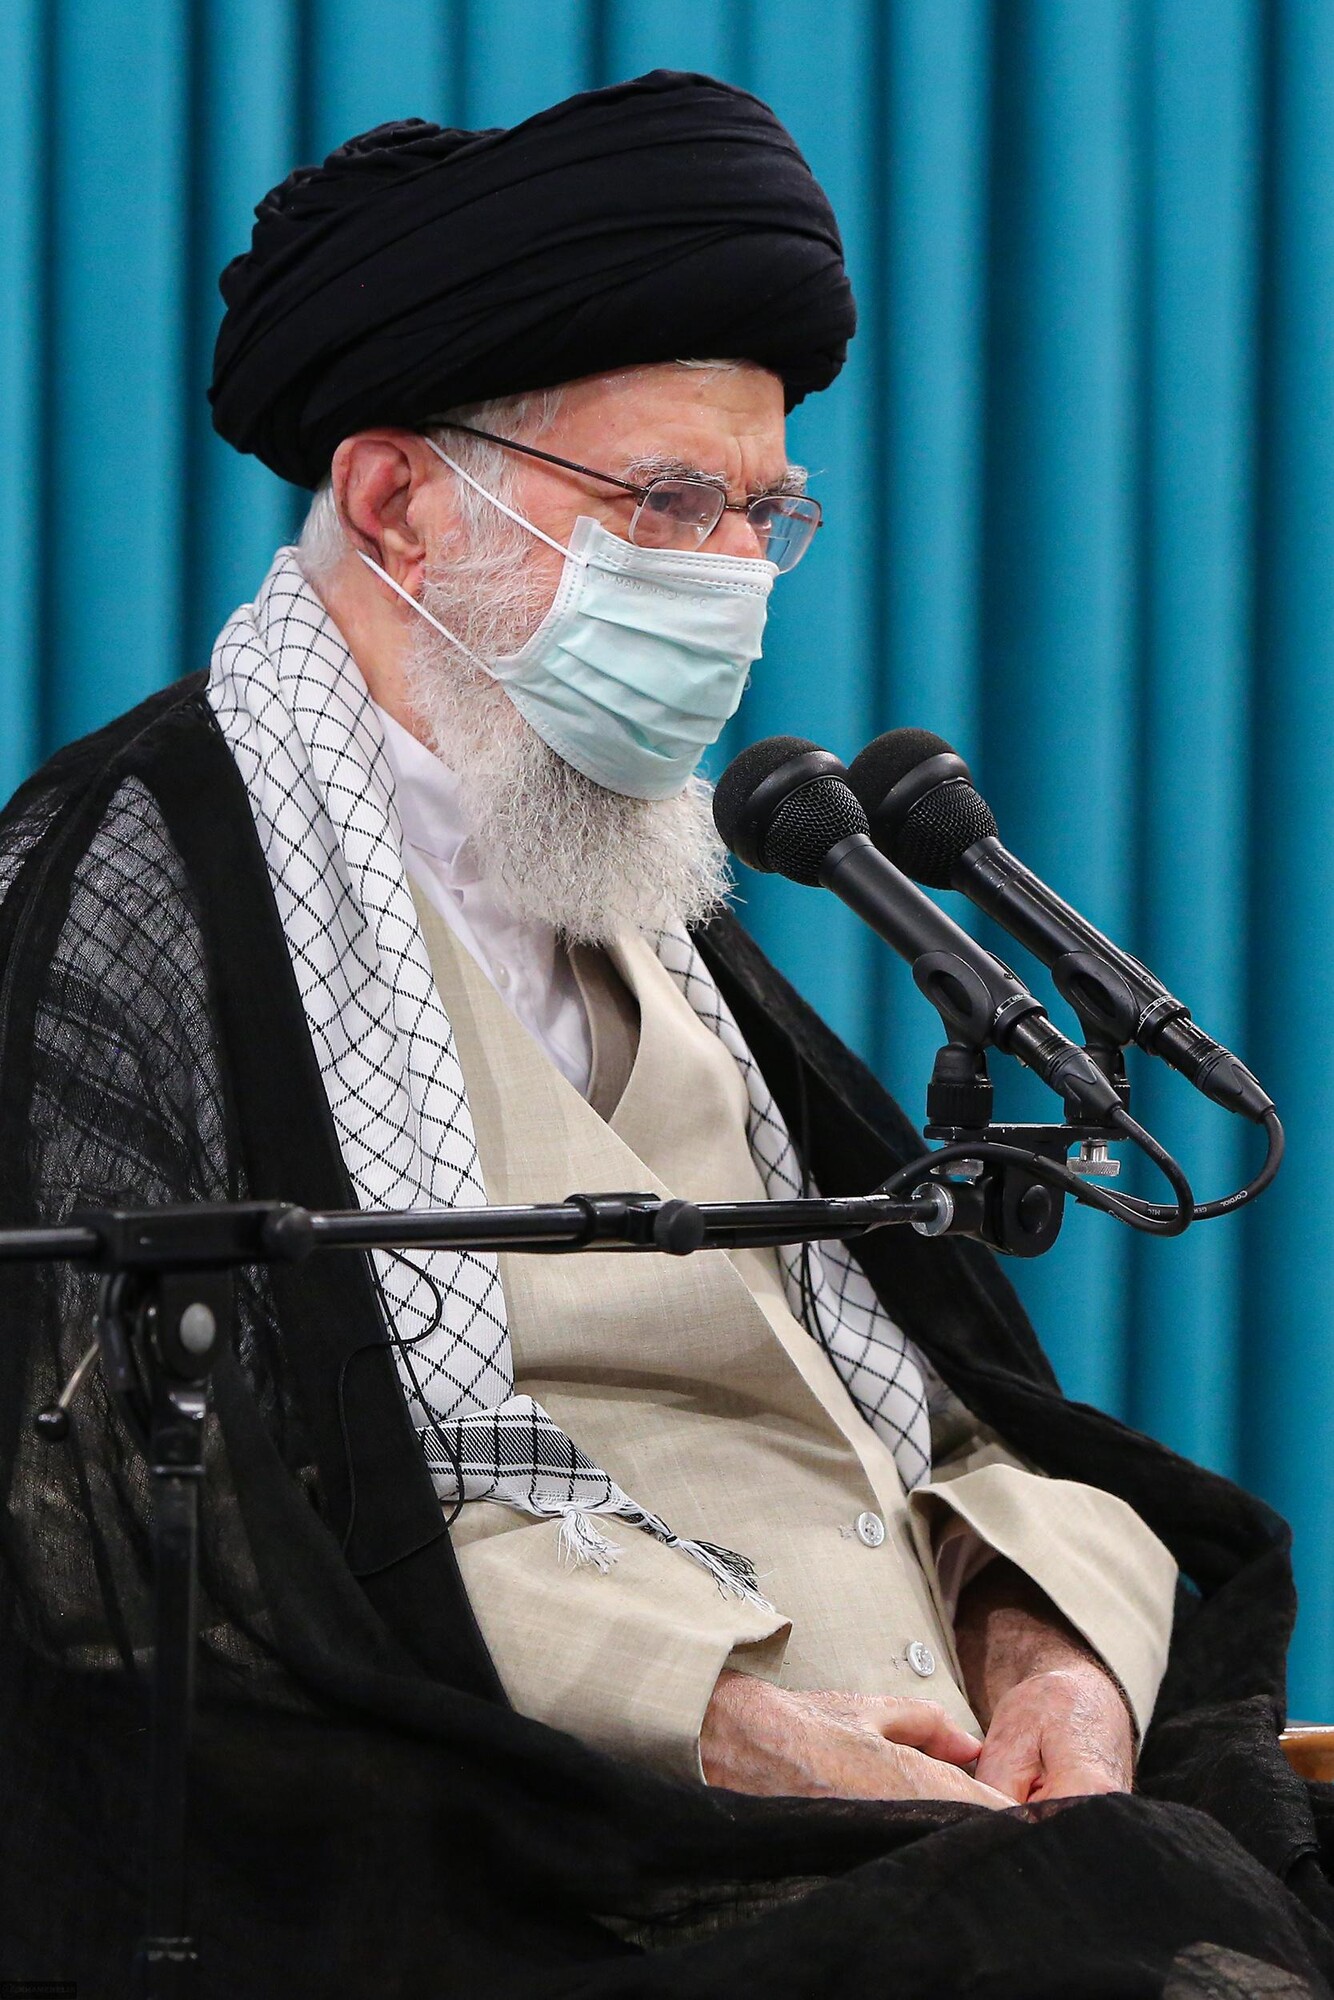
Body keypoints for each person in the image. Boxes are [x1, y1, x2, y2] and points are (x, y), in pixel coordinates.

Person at [1, 70, 1330, 2000]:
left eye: (761, 513)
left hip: (988, 1809)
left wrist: (1049, 1651)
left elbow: (923, 1395)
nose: (723, 578)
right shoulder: (130, 887)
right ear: (393, 501)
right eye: (665, 503)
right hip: (558, 1863)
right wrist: (725, 1727)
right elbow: (110, 1551)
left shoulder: (642, 876)